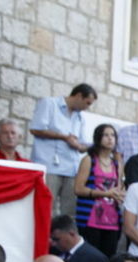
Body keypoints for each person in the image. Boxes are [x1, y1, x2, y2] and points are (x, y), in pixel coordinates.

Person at [29, 83, 98, 216]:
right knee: (47, 209)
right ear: (78, 96)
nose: (87, 107)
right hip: (49, 166)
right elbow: (35, 129)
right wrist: (64, 137)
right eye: (87, 103)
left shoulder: (79, 117)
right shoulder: (49, 104)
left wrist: (93, 146)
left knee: (69, 211)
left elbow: (81, 144)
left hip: (71, 169)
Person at [74, 123, 125, 257]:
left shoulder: (117, 164)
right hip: (90, 218)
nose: (110, 138)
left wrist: (121, 194)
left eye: (113, 135)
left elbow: (118, 188)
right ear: (98, 138)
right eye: (106, 135)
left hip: (112, 220)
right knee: (89, 257)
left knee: (108, 259)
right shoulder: (88, 160)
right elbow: (78, 189)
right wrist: (104, 193)